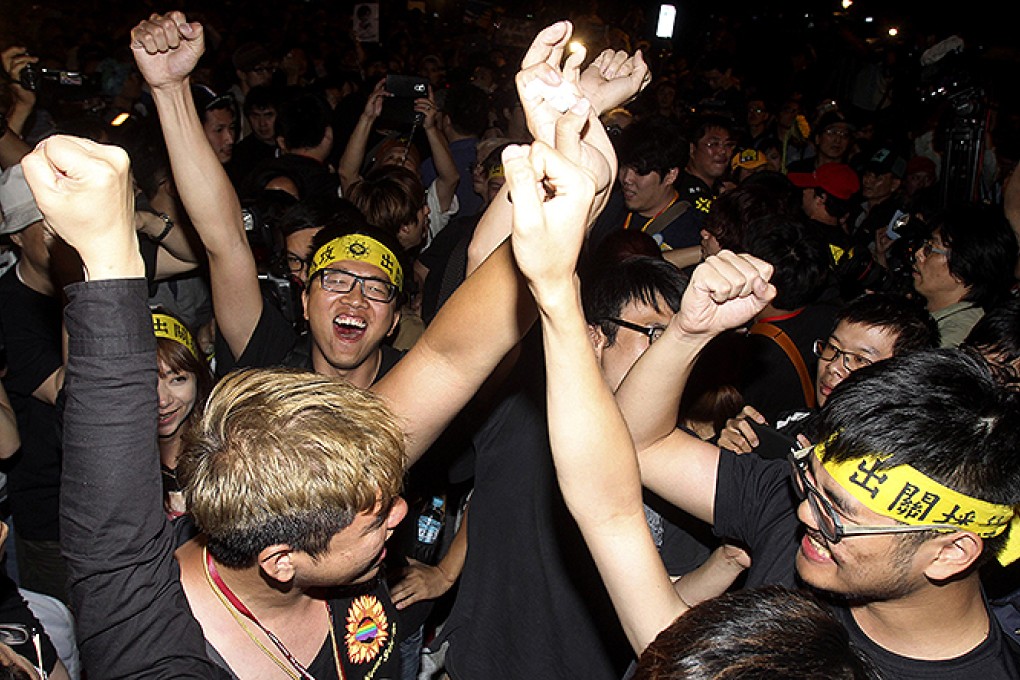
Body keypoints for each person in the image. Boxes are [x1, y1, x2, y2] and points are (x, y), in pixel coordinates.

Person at [52, 14, 625, 678]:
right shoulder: (156, 639)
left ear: (394, 317)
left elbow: (455, 351)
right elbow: (222, 243)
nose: (399, 511)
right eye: (334, 282)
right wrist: (113, 232)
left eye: (375, 289)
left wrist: (566, 143)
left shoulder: (370, 433)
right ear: (283, 557)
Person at [717, 292, 939, 458]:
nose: (833, 367)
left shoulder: (898, 468)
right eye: (833, 348)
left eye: (860, 359)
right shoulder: (791, 424)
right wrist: (733, 447)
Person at [912, 203, 1018, 347]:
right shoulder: (932, 317)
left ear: (961, 269)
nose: (919, 254)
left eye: (931, 249)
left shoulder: (956, 339)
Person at [152, 307, 213, 519]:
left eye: (177, 379)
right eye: (147, 383)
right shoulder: (116, 460)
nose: (163, 400)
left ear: (198, 379)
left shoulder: (220, 453)